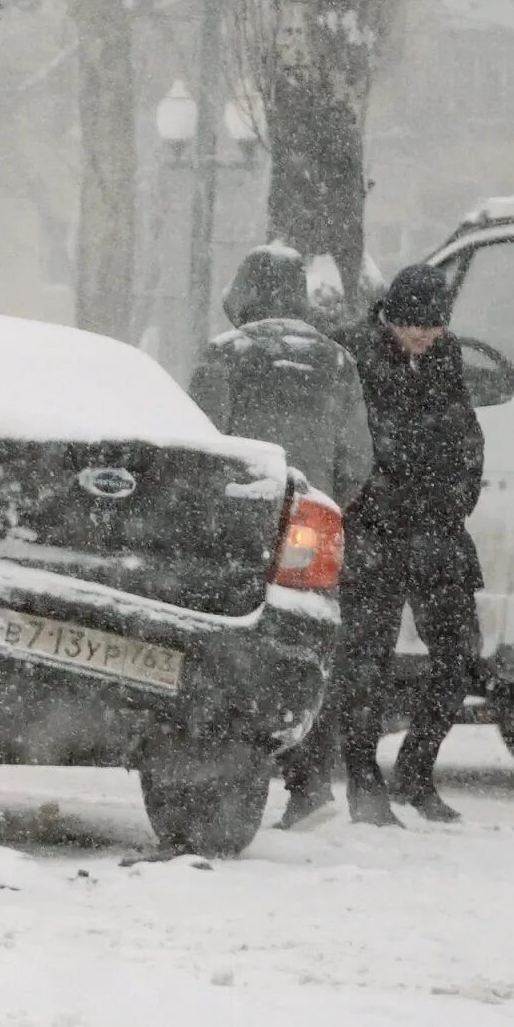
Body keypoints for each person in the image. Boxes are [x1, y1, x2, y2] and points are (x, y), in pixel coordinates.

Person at [189, 243, 375, 830]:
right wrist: (321, 502)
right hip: (308, 525)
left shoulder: (225, 356)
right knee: (304, 639)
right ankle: (310, 782)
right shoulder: (338, 363)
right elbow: (358, 459)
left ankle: (224, 773)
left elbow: (199, 443)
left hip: (237, 522)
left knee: (232, 641)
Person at [330, 263, 486, 826]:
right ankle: (362, 780)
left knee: (460, 658)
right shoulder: (353, 355)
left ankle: (416, 773)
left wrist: (457, 497)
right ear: (389, 316)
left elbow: (466, 434)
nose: (424, 334)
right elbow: (353, 445)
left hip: (439, 532)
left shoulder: (446, 358)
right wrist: (382, 501)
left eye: (435, 325)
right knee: (366, 660)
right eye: (413, 324)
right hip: (375, 531)